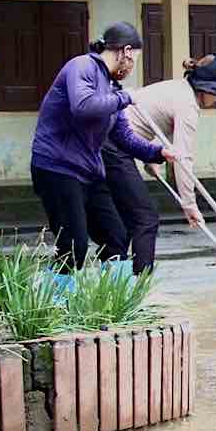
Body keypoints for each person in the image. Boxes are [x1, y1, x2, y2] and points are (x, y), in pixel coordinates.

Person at [30, 22, 176, 271]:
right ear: (126, 52)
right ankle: (55, 302)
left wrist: (158, 152)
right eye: (135, 61)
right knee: (73, 245)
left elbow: (123, 137)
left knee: (115, 235)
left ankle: (116, 303)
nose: (132, 68)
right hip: (57, 168)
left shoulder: (111, 86)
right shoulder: (81, 66)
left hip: (88, 172)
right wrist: (125, 98)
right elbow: (83, 106)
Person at [103, 54, 216, 274]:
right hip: (113, 147)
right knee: (146, 219)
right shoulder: (188, 106)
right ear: (207, 89)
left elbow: (156, 127)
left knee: (127, 220)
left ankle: (113, 283)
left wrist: (153, 157)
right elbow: (183, 158)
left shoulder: (177, 89)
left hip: (108, 142)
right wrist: (189, 204)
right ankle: (140, 287)